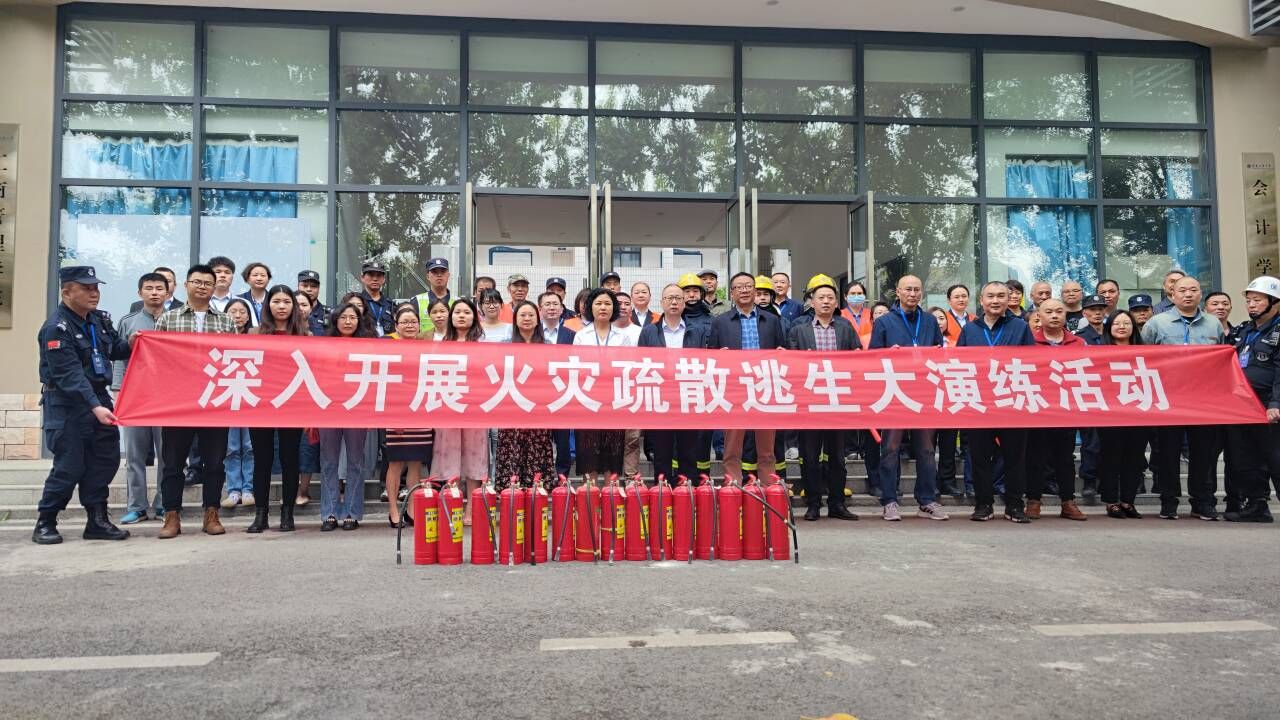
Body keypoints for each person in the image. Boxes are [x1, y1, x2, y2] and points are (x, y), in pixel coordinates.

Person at [31, 265, 133, 544]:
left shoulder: (99, 320)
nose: (94, 293)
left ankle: (97, 521)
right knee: (70, 466)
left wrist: (133, 342)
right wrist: (94, 406)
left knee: (104, 460)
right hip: (67, 403)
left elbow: (114, 349)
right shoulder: (56, 328)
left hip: (98, 397)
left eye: (96, 288)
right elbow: (69, 375)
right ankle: (46, 521)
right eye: (86, 288)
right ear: (67, 293)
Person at [154, 264, 238, 539]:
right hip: (178, 402)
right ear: (186, 285)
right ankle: (172, 516)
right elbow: (156, 360)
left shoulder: (226, 322)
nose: (202, 287)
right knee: (173, 463)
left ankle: (211, 514)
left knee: (215, 463)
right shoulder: (168, 319)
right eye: (197, 282)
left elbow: (234, 359)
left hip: (214, 401)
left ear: (214, 288)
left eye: (207, 283)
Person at [1141, 275, 1224, 520]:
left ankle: (1202, 501)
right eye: (1183, 290)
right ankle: (1169, 501)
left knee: (1203, 453)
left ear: (1200, 294)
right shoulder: (1156, 323)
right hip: (1169, 399)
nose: (1188, 294)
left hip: (1203, 401)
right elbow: (1143, 358)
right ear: (1172, 295)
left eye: (1193, 290)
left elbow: (1221, 361)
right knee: (1168, 453)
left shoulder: (1213, 324)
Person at [869, 275, 947, 521]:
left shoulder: (930, 321)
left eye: (916, 290)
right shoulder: (884, 322)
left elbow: (940, 354)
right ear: (898, 292)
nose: (912, 294)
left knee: (926, 449)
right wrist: (887, 354)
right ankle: (890, 500)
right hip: (895, 392)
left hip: (924, 392)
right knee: (890, 448)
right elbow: (872, 357)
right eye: (908, 289)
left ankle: (927, 500)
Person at [958, 281, 1036, 523]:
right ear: (981, 300)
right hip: (979, 403)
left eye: (1001, 296)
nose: (995, 301)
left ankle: (1015, 506)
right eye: (990, 296)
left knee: (1015, 458)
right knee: (980, 457)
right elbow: (957, 364)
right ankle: (983, 504)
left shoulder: (1021, 327)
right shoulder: (969, 330)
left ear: (1010, 299)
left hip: (1012, 402)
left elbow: (1033, 362)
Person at [787, 274, 862, 521]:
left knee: (837, 457)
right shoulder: (798, 330)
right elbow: (791, 364)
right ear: (812, 301)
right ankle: (813, 503)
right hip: (809, 402)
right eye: (821, 297)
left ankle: (837, 503)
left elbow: (858, 358)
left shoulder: (845, 328)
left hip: (838, 401)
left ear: (836, 302)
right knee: (810, 456)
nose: (826, 301)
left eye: (830, 297)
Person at [709, 273, 786, 483]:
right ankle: (733, 487)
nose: (744, 290)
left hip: (765, 386)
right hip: (734, 388)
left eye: (748, 286)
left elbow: (782, 349)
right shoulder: (720, 322)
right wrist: (718, 356)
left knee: (766, 446)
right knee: (732, 445)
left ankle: (769, 487)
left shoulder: (771, 320)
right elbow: (710, 356)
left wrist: (781, 353)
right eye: (739, 287)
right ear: (731, 293)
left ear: (755, 290)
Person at [245, 285, 309, 533]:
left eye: (286, 302)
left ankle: (287, 513)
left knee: (289, 459)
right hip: (261, 404)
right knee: (262, 459)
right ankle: (260, 514)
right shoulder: (254, 333)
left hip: (292, 404)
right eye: (276, 301)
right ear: (267, 305)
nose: (281, 306)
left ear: (293, 306)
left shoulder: (305, 334)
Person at [1223, 276, 1280, 523]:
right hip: (1243, 405)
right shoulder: (1244, 330)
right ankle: (1257, 505)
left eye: (1257, 300)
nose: (1251, 305)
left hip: (1269, 404)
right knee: (1246, 458)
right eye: (1249, 300)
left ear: (1274, 302)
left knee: (1275, 457)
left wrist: (1276, 403)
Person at [639, 284, 710, 484]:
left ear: (684, 302)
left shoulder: (696, 331)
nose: (673, 302)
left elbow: (704, 362)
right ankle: (662, 492)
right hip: (660, 398)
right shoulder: (649, 332)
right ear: (661, 302)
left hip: (688, 396)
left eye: (678, 298)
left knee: (689, 451)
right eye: (669, 298)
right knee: (662, 452)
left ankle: (686, 492)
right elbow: (641, 363)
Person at [114, 272, 170, 526]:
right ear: (140, 293)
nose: (154, 292)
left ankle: (163, 503)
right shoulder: (128, 322)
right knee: (134, 455)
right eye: (149, 288)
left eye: (159, 288)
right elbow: (118, 359)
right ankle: (136, 506)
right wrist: (118, 391)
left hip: (167, 397)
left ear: (168, 293)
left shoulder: (175, 320)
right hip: (136, 396)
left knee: (167, 455)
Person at [1028, 299, 1088, 521]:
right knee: (1036, 457)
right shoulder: (1028, 342)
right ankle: (1033, 501)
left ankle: (1068, 502)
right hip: (1038, 408)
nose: (1054, 315)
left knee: (1065, 458)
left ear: (1066, 315)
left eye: (1059, 311)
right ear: (1039, 316)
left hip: (1066, 409)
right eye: (1049, 311)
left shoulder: (1078, 343)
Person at [320, 303, 373, 531]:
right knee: (329, 461)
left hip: (357, 408)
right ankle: (329, 513)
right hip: (328, 407)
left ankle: (352, 512)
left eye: (353, 317)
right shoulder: (323, 346)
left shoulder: (367, 346)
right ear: (335, 320)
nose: (348, 321)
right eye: (343, 317)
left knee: (355, 461)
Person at [573, 288, 634, 484]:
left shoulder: (623, 337)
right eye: (598, 303)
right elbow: (575, 367)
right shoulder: (581, 336)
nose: (603, 307)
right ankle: (589, 495)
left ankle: (610, 493)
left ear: (613, 308)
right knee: (588, 450)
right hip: (587, 399)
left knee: (612, 451)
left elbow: (627, 368)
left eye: (607, 304)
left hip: (613, 400)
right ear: (590, 307)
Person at [436, 299, 489, 514]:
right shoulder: (442, 344)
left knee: (475, 455)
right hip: (449, 404)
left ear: (474, 317)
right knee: (449, 454)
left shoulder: (482, 345)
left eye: (466, 312)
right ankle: (454, 503)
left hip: (474, 406)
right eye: (457, 312)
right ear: (451, 317)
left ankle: (471, 507)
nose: (461, 316)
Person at [496, 301, 556, 490]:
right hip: (512, 407)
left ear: (538, 319)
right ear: (515, 319)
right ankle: (511, 493)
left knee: (537, 450)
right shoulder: (505, 345)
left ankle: (537, 492)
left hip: (538, 407)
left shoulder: (548, 345)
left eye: (531, 315)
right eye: (522, 315)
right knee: (512, 449)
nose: (527, 318)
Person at [383, 306, 434, 526]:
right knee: (395, 463)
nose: (409, 326)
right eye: (404, 322)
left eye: (413, 322)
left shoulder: (426, 347)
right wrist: (394, 414)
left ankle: (411, 509)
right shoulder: (387, 345)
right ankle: (393, 509)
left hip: (421, 408)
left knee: (415, 463)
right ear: (396, 325)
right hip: (396, 409)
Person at [1099, 310, 1148, 519]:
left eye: (1126, 323)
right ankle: (1111, 501)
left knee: (1134, 458)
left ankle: (1129, 500)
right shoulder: (1099, 353)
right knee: (1111, 458)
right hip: (1110, 414)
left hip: (1139, 412)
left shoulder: (1147, 352)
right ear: (1109, 327)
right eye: (1117, 323)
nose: (1121, 327)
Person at [219, 297, 256, 510]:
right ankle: (233, 490)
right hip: (228, 398)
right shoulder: (219, 338)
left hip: (251, 398)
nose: (238, 316)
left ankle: (248, 489)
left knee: (250, 447)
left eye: (243, 312)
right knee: (231, 447)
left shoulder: (256, 337)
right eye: (233, 311)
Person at [411, 257, 452, 335]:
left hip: (450, 342)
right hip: (424, 342)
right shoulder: (416, 301)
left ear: (448, 275)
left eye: (443, 271)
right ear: (428, 276)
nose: (439, 275)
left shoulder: (458, 302)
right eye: (434, 272)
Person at [357, 260, 394, 336]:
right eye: (371, 275)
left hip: (387, 342)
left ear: (383, 279)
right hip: (363, 342)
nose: (375, 279)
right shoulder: (356, 302)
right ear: (362, 278)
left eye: (379, 275)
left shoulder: (391, 305)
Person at [840, 281, 874, 349]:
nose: (856, 296)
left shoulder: (872, 314)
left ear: (864, 296)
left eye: (859, 293)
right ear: (845, 296)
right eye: (852, 293)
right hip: (847, 352)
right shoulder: (839, 315)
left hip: (870, 352)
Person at [237, 261, 271, 327]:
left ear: (268, 279)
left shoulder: (274, 299)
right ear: (247, 279)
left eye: (263, 275)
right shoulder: (239, 299)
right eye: (255, 275)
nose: (259, 278)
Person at [297, 270, 327, 336]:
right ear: (298, 286)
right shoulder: (290, 312)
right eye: (305, 286)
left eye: (313, 286)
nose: (309, 289)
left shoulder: (329, 314)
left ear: (319, 289)